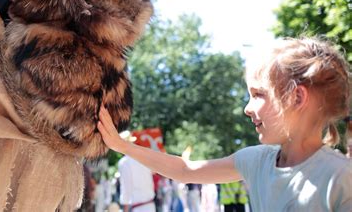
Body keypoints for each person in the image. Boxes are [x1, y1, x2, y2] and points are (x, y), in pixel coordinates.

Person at [97, 37, 352, 211]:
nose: (247, 108)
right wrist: (121, 145)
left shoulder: (341, 178)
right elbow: (185, 169)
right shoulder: (257, 161)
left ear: (297, 97)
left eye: (258, 94)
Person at [118, 132, 156, 212]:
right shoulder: (144, 157)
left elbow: (126, 187)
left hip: (137, 207)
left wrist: (125, 209)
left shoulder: (124, 162)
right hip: (150, 205)